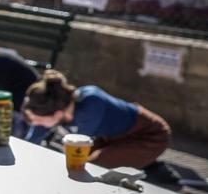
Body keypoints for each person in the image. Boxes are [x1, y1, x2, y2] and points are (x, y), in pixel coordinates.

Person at [23, 69, 171, 169]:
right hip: (109, 137)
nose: (36, 124)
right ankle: (141, 162)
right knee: (90, 161)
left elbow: (75, 157)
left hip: (149, 136)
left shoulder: (91, 104)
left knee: (90, 167)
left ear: (58, 114)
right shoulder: (57, 108)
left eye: (38, 120)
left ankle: (148, 163)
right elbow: (32, 142)